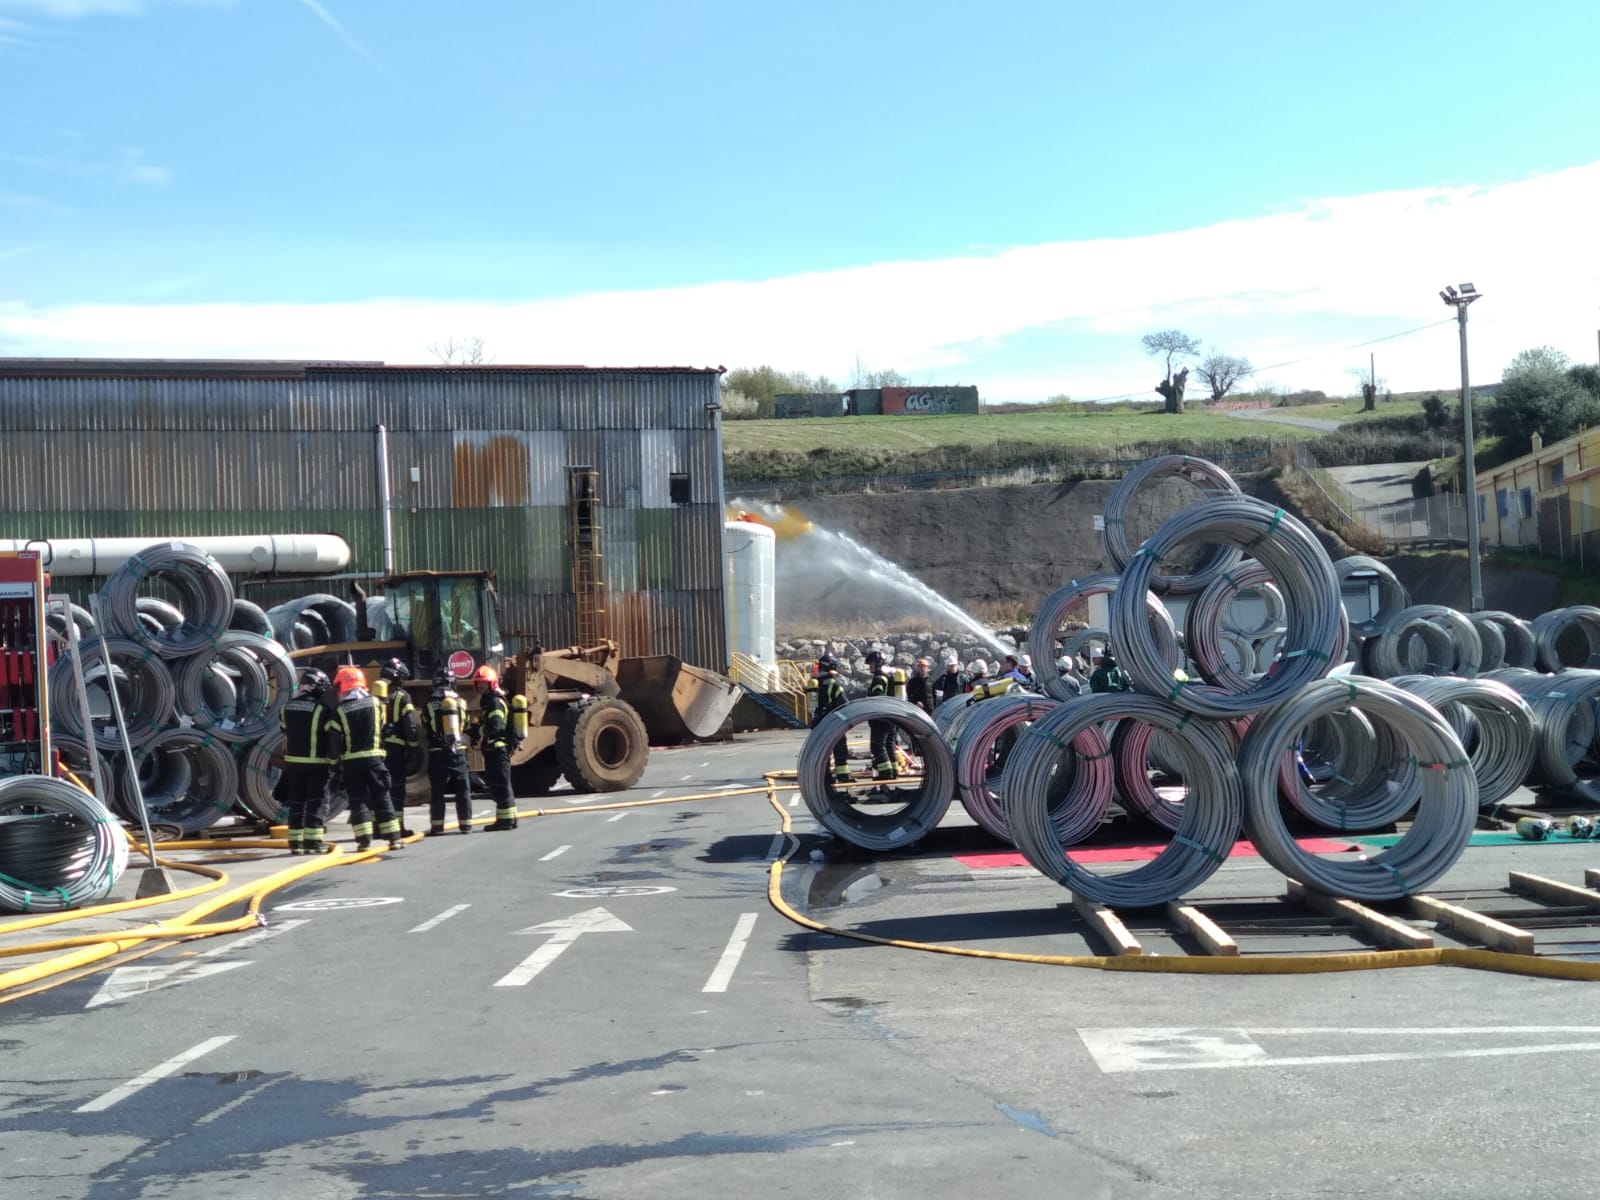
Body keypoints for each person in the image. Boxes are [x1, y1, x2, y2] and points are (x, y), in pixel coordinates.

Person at [330, 666, 404, 852]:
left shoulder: (339, 711)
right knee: (382, 797)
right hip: (374, 760)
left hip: (351, 763)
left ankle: (364, 841)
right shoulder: (376, 703)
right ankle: (394, 839)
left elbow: (335, 743)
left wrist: (334, 765)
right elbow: (380, 727)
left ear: (342, 686)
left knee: (358, 801)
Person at [280, 668, 337, 855]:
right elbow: (331, 735)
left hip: (292, 764)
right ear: (316, 686)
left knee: (296, 801)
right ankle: (312, 842)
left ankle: (295, 843)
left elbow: (284, 730)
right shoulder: (322, 710)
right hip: (317, 763)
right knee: (316, 801)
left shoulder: (286, 707)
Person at [423, 668, 474, 835]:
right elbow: (465, 724)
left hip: (438, 752)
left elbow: (426, 726)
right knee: (462, 788)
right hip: (458, 751)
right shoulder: (461, 702)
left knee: (437, 790)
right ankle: (465, 824)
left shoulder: (429, 705)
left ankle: (437, 826)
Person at [472, 665, 520, 831]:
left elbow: (496, 726)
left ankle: (505, 821)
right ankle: (510, 818)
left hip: (497, 749)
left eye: (484, 683)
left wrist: (477, 730)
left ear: (491, 684)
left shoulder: (494, 702)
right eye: (478, 684)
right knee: (503, 784)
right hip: (497, 749)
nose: (480, 687)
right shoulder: (492, 700)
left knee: (499, 785)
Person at [379, 658, 420, 838]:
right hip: (396, 750)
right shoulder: (403, 696)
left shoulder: (375, 695)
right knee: (396, 788)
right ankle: (397, 827)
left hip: (378, 749)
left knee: (380, 788)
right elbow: (410, 725)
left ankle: (378, 827)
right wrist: (414, 747)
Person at [811, 654, 851, 784]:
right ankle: (843, 776)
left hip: (819, 722)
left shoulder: (816, 683)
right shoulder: (833, 683)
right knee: (840, 749)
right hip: (834, 723)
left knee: (823, 751)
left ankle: (825, 777)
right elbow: (844, 703)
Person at [864, 648, 896, 781]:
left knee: (877, 746)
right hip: (892, 716)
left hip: (881, 718)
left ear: (877, 663)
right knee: (889, 746)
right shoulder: (888, 676)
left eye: (871, 663)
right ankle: (893, 771)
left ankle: (885, 774)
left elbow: (877, 697)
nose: (870, 666)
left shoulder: (879, 678)